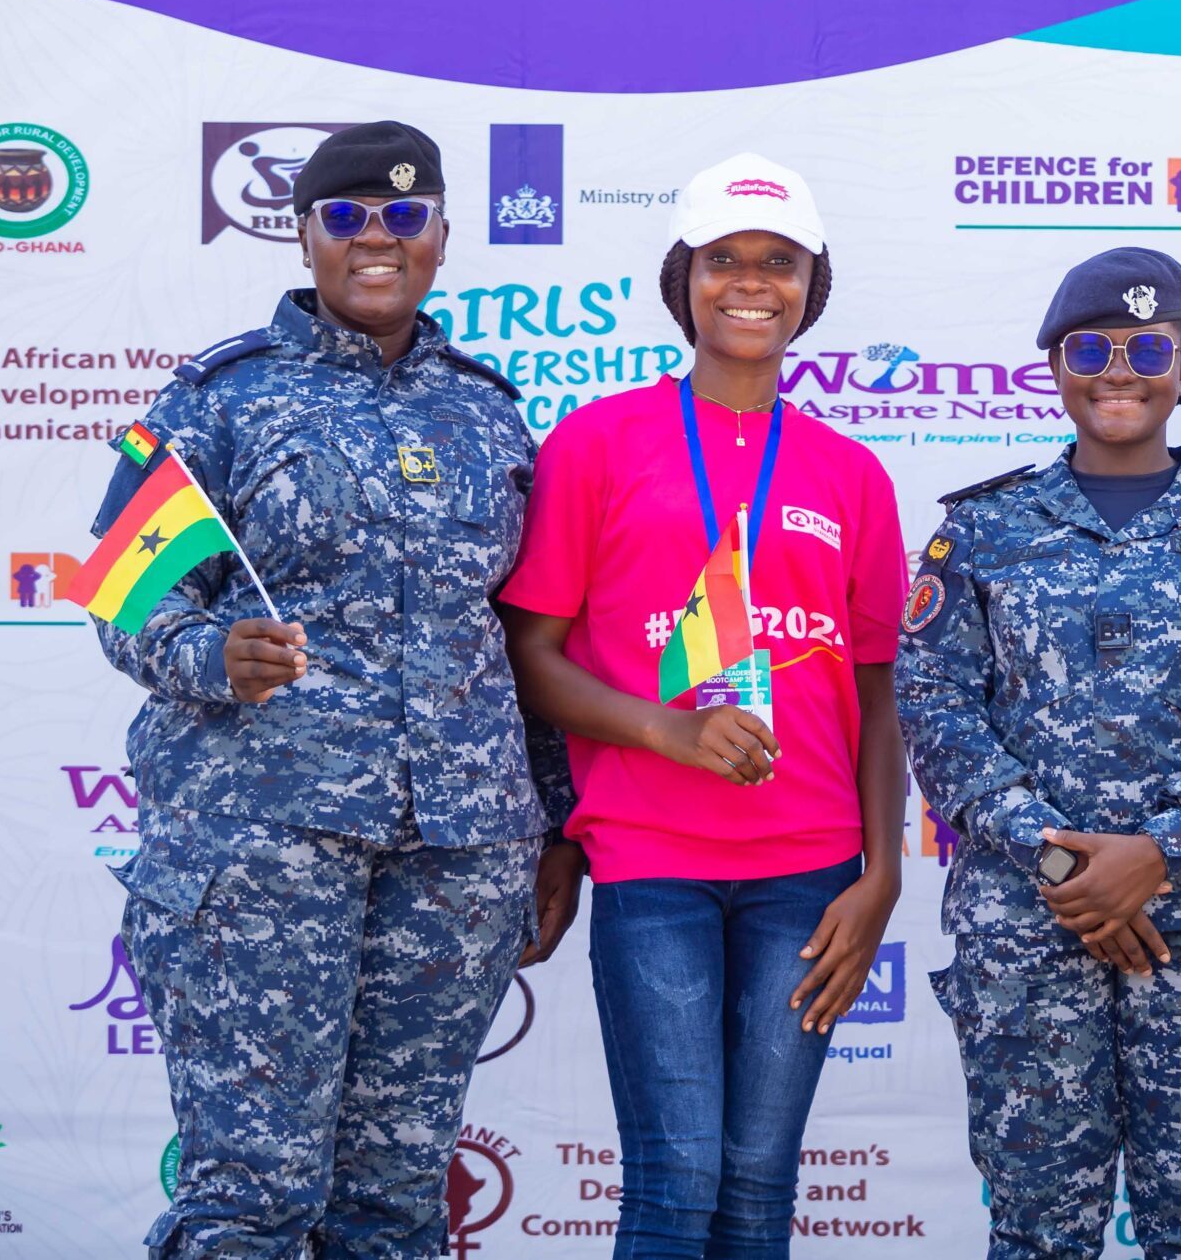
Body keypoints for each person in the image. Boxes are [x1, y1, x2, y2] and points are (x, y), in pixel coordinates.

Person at [87, 121, 579, 1259]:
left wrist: (557, 828)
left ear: (443, 236)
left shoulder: (490, 411)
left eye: (405, 217)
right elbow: (123, 590)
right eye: (347, 216)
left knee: (398, 1200)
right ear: (302, 233)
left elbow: (522, 637)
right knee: (250, 1196)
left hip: (458, 855)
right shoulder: (220, 395)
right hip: (262, 844)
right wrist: (211, 654)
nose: (377, 239)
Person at [498, 151, 907, 1260]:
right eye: (723, 258)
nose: (750, 282)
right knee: (676, 1188)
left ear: (810, 288)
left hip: (811, 874)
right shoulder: (596, 440)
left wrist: (883, 872)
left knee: (759, 1192)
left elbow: (877, 688)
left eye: (779, 262)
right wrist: (665, 728)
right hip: (650, 860)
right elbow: (529, 653)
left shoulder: (852, 473)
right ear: (682, 277)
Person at [897, 246, 1181, 1260]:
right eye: (1090, 345)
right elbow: (933, 702)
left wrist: (1159, 851)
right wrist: (1065, 865)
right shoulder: (981, 529)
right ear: (1053, 364)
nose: (1119, 369)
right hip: (1026, 919)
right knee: (1038, 1230)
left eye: (1149, 344)